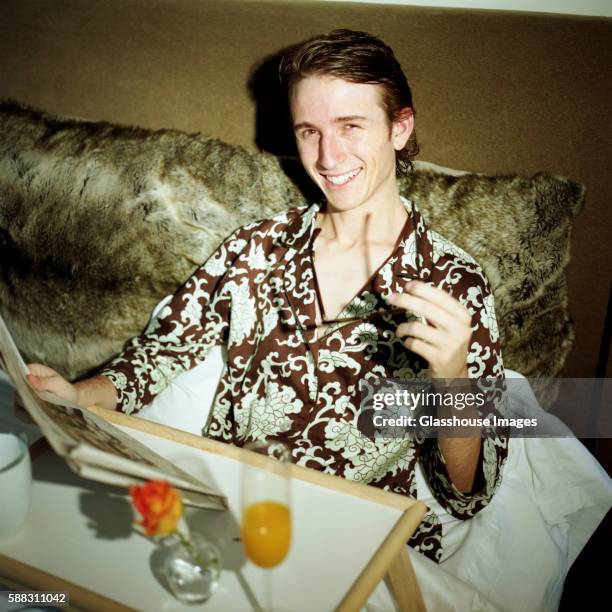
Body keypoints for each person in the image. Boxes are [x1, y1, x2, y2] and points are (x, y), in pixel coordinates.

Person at [27, 29, 506, 562]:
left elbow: (466, 497)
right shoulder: (256, 248)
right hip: (230, 508)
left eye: (351, 126)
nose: (328, 156)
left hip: (354, 537)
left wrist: (454, 385)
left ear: (400, 127)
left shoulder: (454, 284)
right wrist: (78, 398)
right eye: (309, 131)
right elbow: (163, 353)